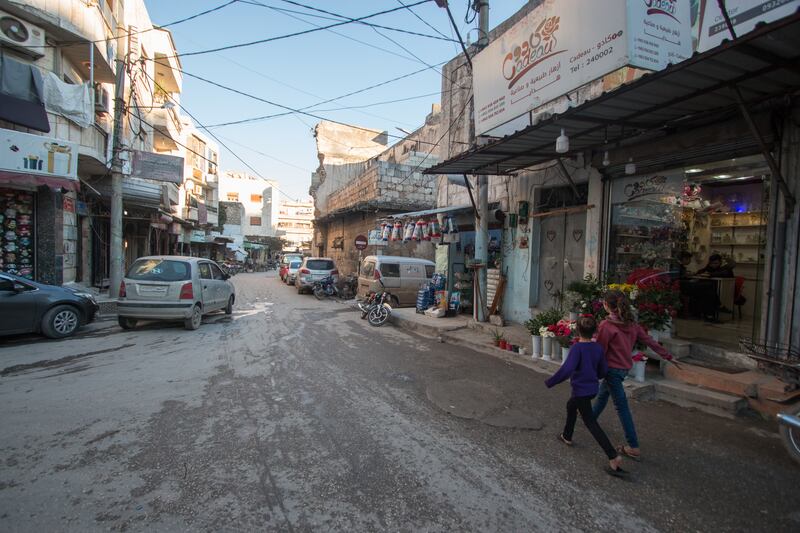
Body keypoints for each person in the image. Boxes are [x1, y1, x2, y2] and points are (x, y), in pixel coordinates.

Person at [592, 290, 674, 461]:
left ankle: (633, 445)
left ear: (607, 305)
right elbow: (649, 341)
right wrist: (666, 355)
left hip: (611, 369)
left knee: (621, 407)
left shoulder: (607, 326)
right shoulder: (632, 325)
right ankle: (590, 418)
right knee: (603, 393)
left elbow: (600, 351)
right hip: (623, 369)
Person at [545, 316, 627, 477]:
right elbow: (603, 369)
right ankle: (567, 435)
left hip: (581, 390)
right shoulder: (597, 348)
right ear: (595, 331)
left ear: (577, 331)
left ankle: (613, 456)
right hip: (591, 388)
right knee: (571, 406)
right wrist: (595, 376)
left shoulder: (577, 348)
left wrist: (551, 381)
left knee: (590, 422)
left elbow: (567, 369)